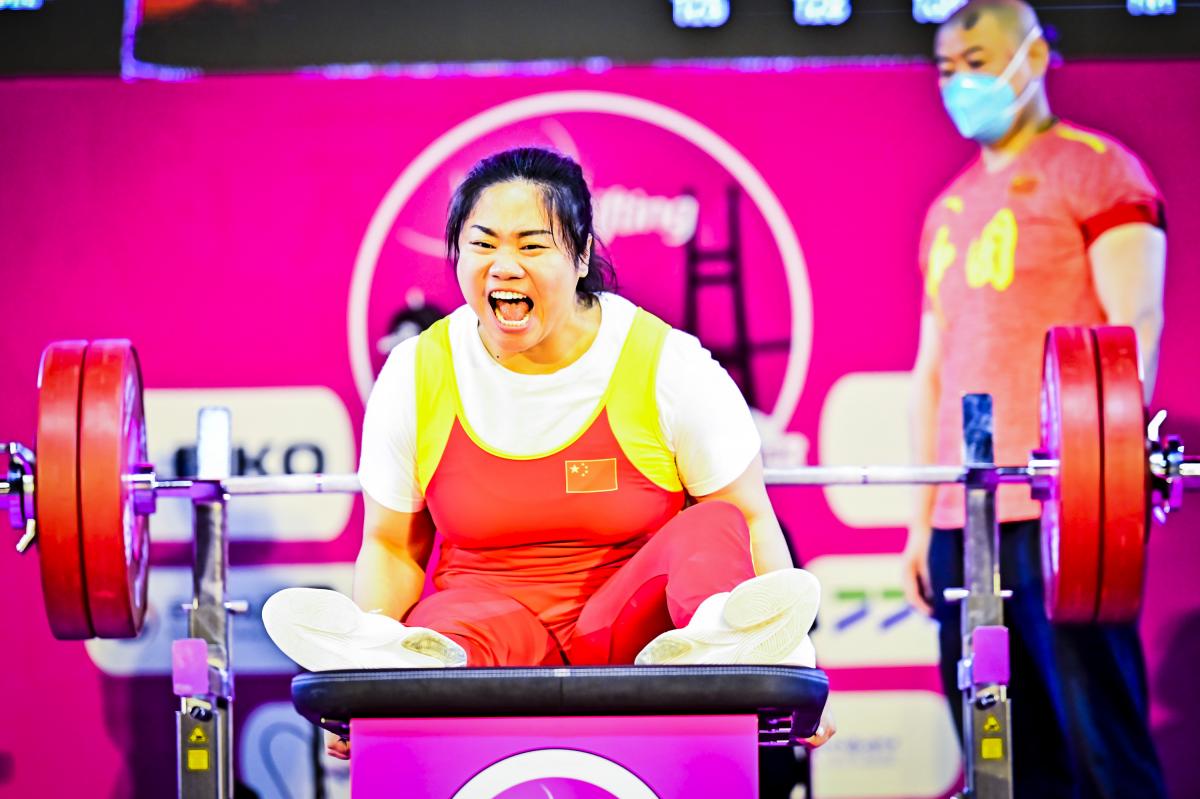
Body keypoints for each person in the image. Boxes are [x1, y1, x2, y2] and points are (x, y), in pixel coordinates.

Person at [264, 146, 834, 758]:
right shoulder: (415, 373)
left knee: (715, 523)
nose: (503, 267)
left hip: (636, 640)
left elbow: (749, 519)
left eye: (532, 245)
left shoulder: (669, 365)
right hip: (488, 636)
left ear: (582, 254)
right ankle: (383, 661)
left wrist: (797, 671)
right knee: (444, 628)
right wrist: (362, 701)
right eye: (482, 245)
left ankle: (734, 642)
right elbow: (390, 545)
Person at [900, 1, 1168, 796]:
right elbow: (932, 368)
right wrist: (922, 518)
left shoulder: (1099, 170)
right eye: (947, 68)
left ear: (1036, 56)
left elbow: (1136, 327)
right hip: (965, 513)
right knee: (1001, 750)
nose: (959, 81)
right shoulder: (945, 209)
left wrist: (1102, 476)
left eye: (978, 60)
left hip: (1065, 506)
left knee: (1100, 738)